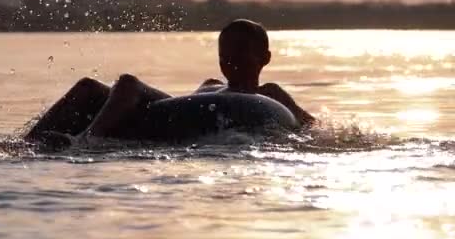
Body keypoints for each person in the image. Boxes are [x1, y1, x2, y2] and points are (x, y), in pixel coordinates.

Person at [25, 19, 314, 143]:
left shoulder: (270, 93)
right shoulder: (212, 83)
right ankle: (25, 145)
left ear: (264, 58)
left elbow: (310, 127)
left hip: (185, 121)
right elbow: (180, 110)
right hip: (166, 113)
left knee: (127, 82)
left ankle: (86, 141)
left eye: (240, 52)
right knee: (88, 86)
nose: (230, 60)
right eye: (224, 54)